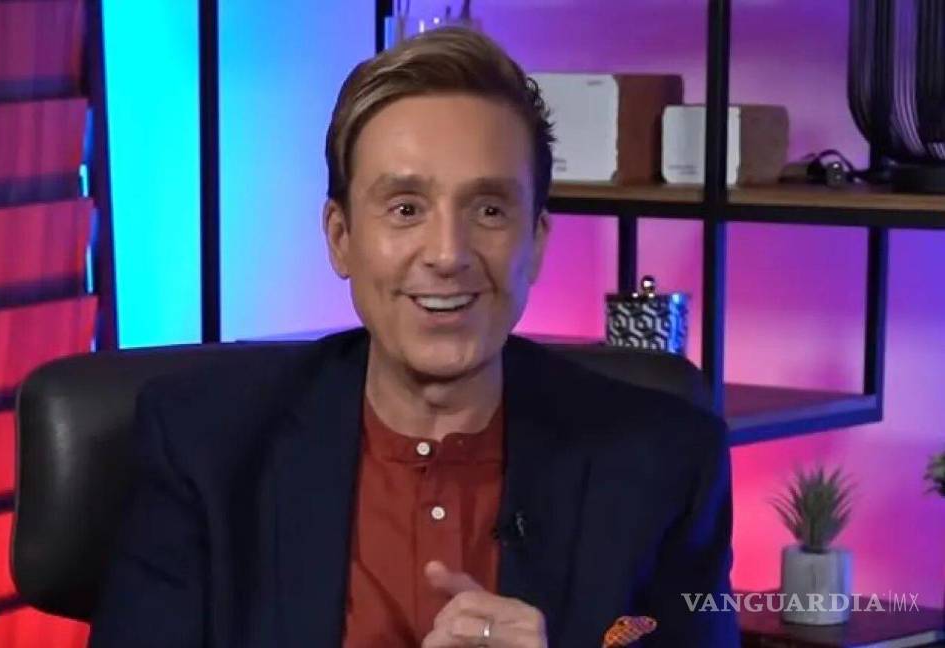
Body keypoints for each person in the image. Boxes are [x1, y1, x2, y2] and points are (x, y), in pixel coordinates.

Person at [88, 27, 739, 648]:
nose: (448, 253)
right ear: (341, 238)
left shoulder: (664, 464)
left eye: (489, 210)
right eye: (405, 209)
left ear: (536, 243)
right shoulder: (205, 447)